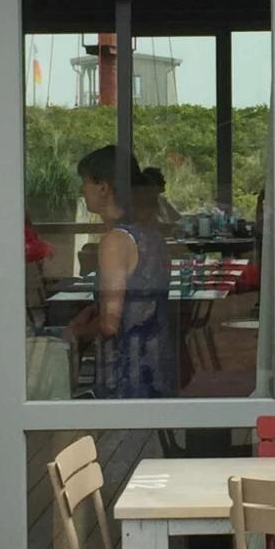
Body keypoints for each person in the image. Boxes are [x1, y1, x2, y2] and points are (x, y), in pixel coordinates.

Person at [64, 145, 174, 399]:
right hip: (157, 365)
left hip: (128, 372)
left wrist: (75, 332)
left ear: (103, 187)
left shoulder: (115, 241)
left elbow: (110, 323)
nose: (82, 190)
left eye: (85, 182)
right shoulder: (151, 235)